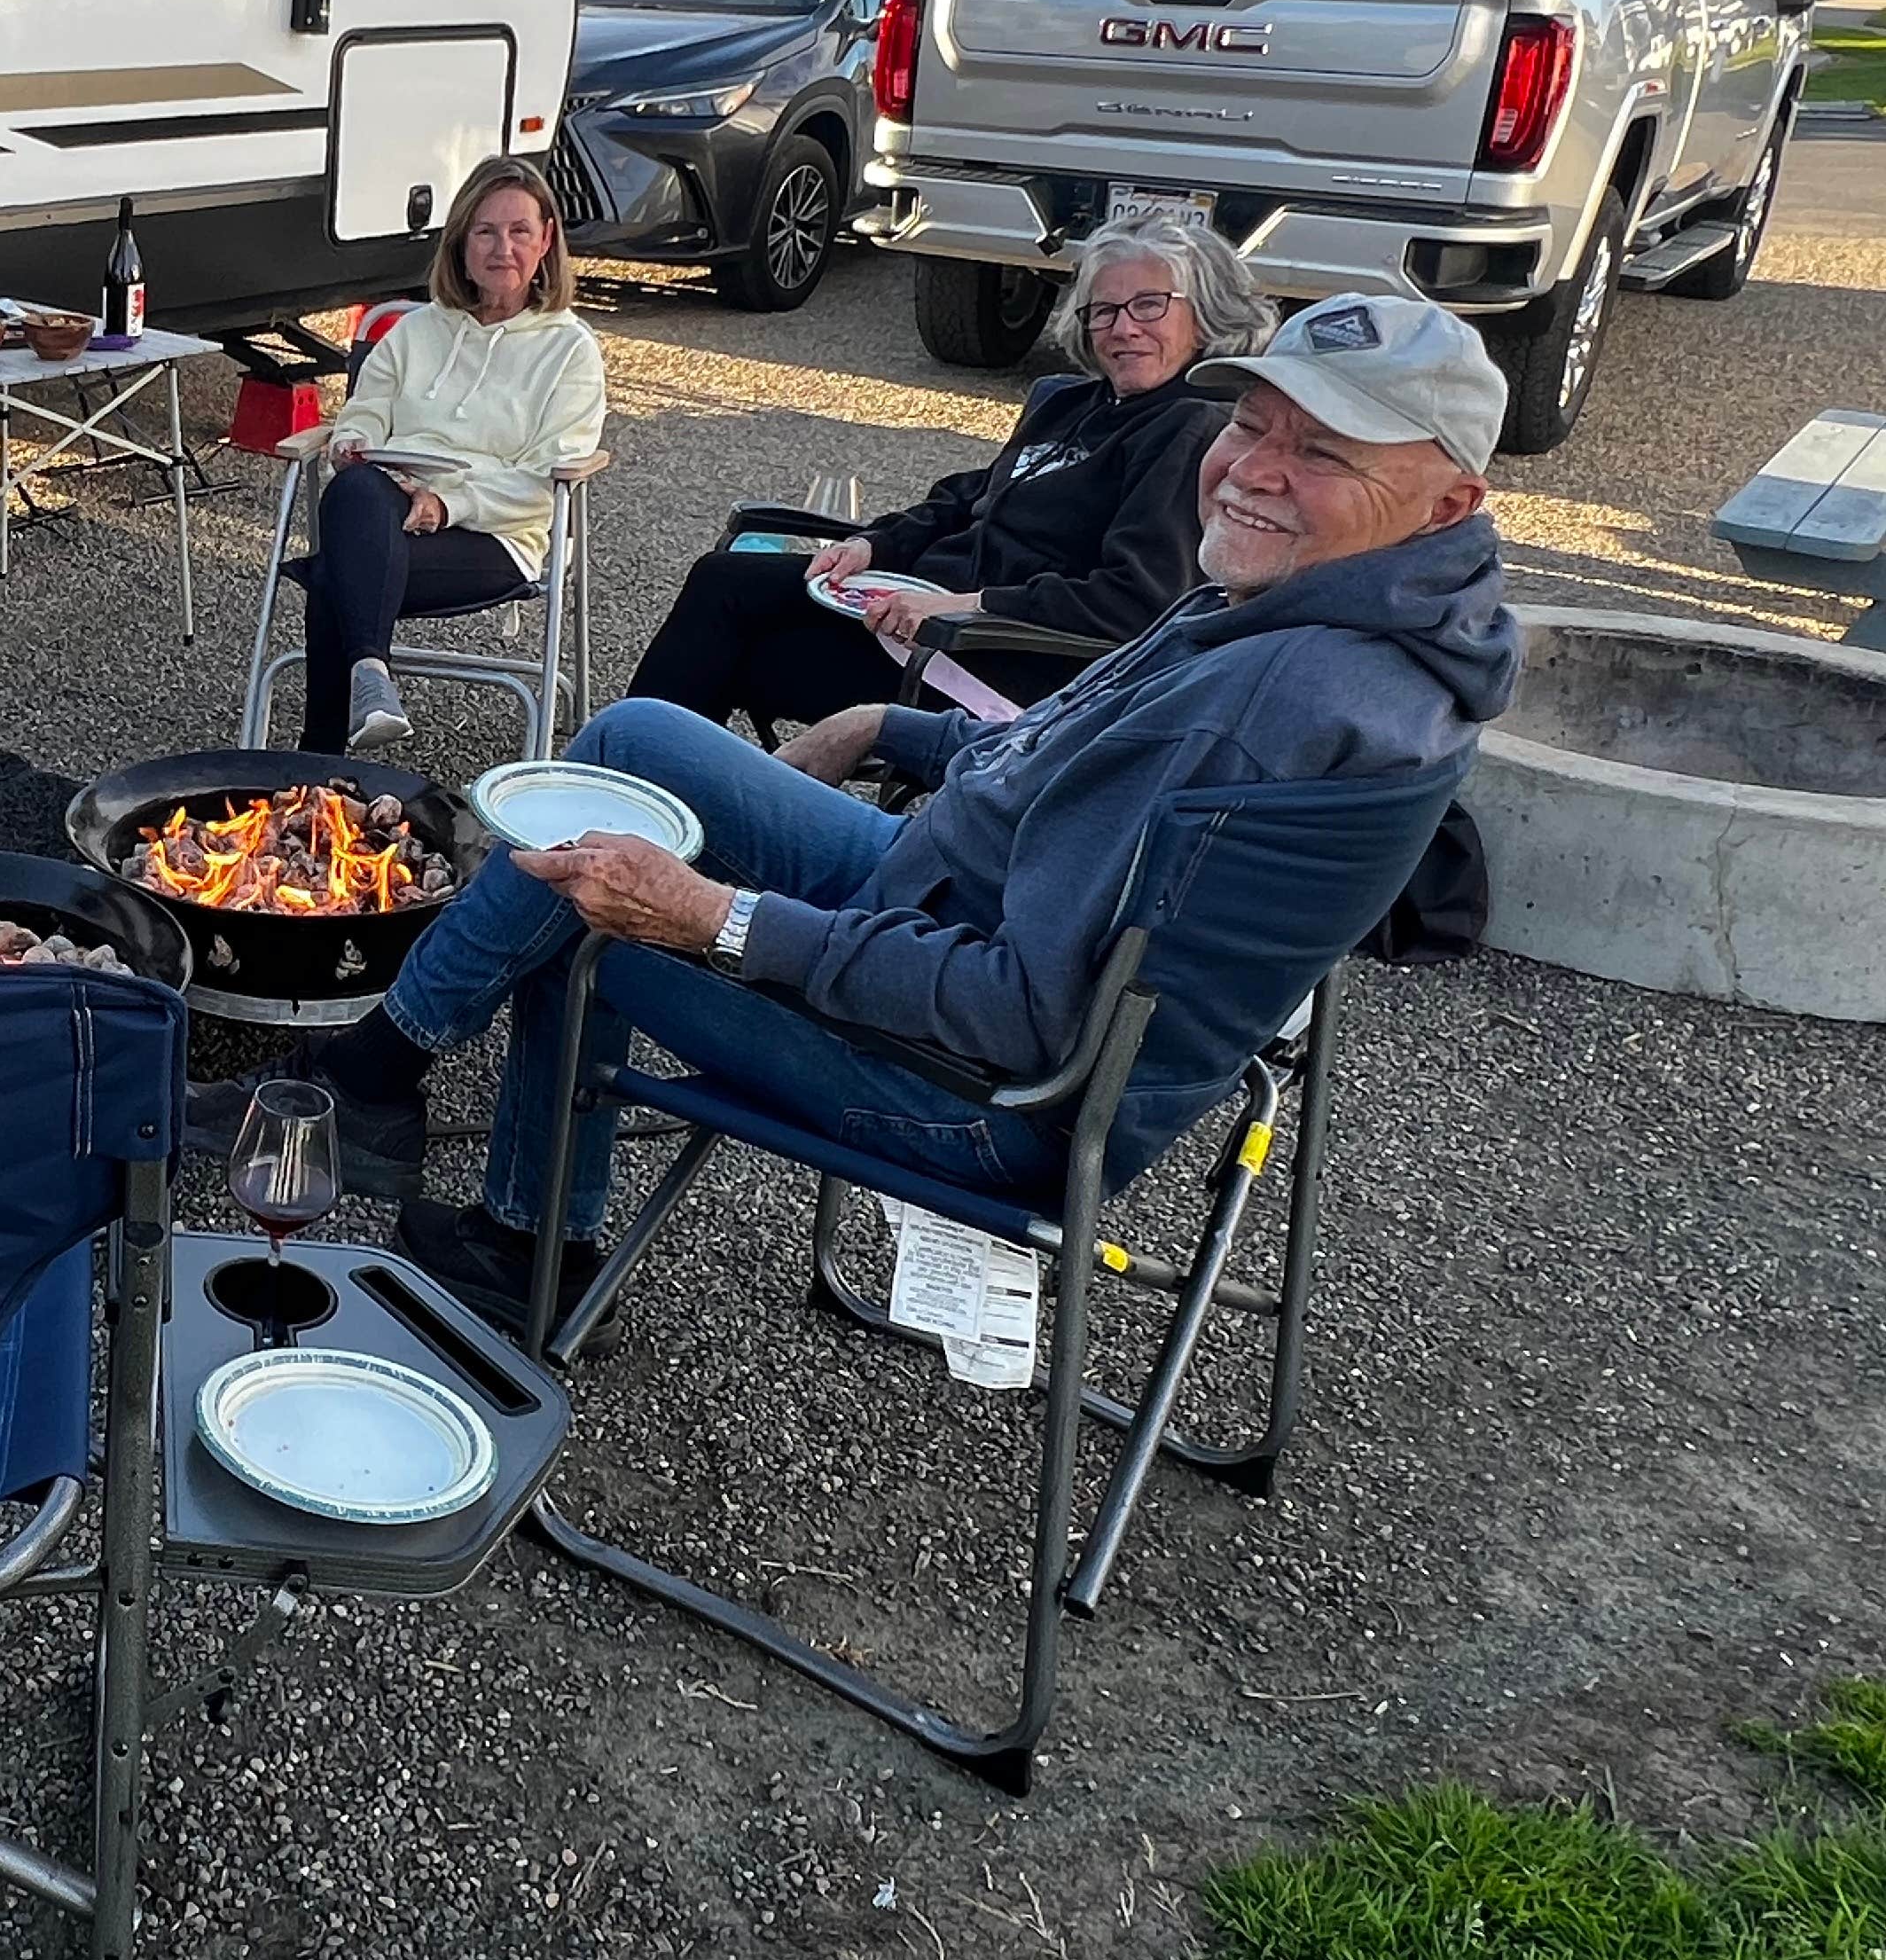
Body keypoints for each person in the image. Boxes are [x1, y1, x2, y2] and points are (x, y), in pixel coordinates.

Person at [208, 294, 1521, 1330]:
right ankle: (383, 1072)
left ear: (1451, 500)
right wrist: (893, 724)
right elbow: (1068, 746)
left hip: (992, 1093)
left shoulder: (1281, 696)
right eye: (1257, 425)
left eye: (1324, 451)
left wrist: (719, 920)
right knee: (635, 743)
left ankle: (520, 1240)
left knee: (591, 898)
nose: (1255, 470)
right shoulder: (1323, 604)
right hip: (944, 885)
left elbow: (1021, 1011)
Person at [629, 220, 1270, 729]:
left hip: (992, 659)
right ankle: (628, 801)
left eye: (1149, 306)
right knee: (724, 580)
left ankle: (632, 808)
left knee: (732, 654)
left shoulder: (1189, 429)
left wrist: (961, 606)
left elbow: (1134, 603)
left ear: (1206, 315)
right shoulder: (1073, 403)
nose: (1122, 328)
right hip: (913, 615)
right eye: (1102, 311)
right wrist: (873, 543)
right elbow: (968, 498)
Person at [291, 159, 608, 753]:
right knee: (355, 490)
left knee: (337, 573)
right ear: (461, 240)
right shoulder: (415, 331)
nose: (502, 248)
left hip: (495, 536)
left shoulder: (569, 350)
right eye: (485, 231)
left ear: (546, 241)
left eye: (519, 231)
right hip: (383, 511)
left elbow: (546, 477)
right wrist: (352, 441)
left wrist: (447, 503)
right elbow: (367, 409)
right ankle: (371, 677)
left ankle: (318, 762)